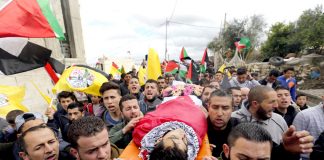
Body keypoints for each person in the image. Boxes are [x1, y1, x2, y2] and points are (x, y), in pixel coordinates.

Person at [232, 86, 314, 159]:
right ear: (255, 104)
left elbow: (283, 152)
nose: (276, 105)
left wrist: (290, 151)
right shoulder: (232, 119)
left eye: (276, 101)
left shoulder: (279, 120)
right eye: (271, 102)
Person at [133, 96, 207, 160]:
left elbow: (151, 115)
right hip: (191, 105)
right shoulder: (195, 136)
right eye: (184, 141)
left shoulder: (144, 130)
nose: (182, 134)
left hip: (168, 104)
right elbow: (199, 116)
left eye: (174, 137)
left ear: (159, 140)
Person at [207, 90, 240, 158]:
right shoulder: (197, 129)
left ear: (232, 109)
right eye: (215, 107)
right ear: (208, 107)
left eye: (225, 108)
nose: (219, 113)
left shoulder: (241, 129)